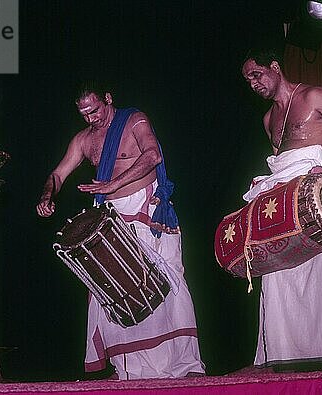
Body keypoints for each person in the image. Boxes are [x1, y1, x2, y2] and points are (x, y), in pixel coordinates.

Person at [36, 83, 205, 380]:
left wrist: (112, 185)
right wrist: (47, 195)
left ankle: (185, 366)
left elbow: (152, 156)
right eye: (84, 113)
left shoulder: (134, 120)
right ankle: (130, 370)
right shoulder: (84, 140)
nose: (91, 118)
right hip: (112, 217)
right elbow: (58, 173)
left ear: (108, 99)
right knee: (114, 288)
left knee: (169, 282)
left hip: (148, 208)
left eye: (95, 110)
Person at [240, 49, 322, 370]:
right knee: (281, 278)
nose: (253, 83)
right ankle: (287, 360)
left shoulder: (313, 96)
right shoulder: (268, 119)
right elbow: (281, 163)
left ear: (275, 67)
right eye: (248, 80)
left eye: (257, 74)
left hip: (319, 196)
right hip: (286, 204)